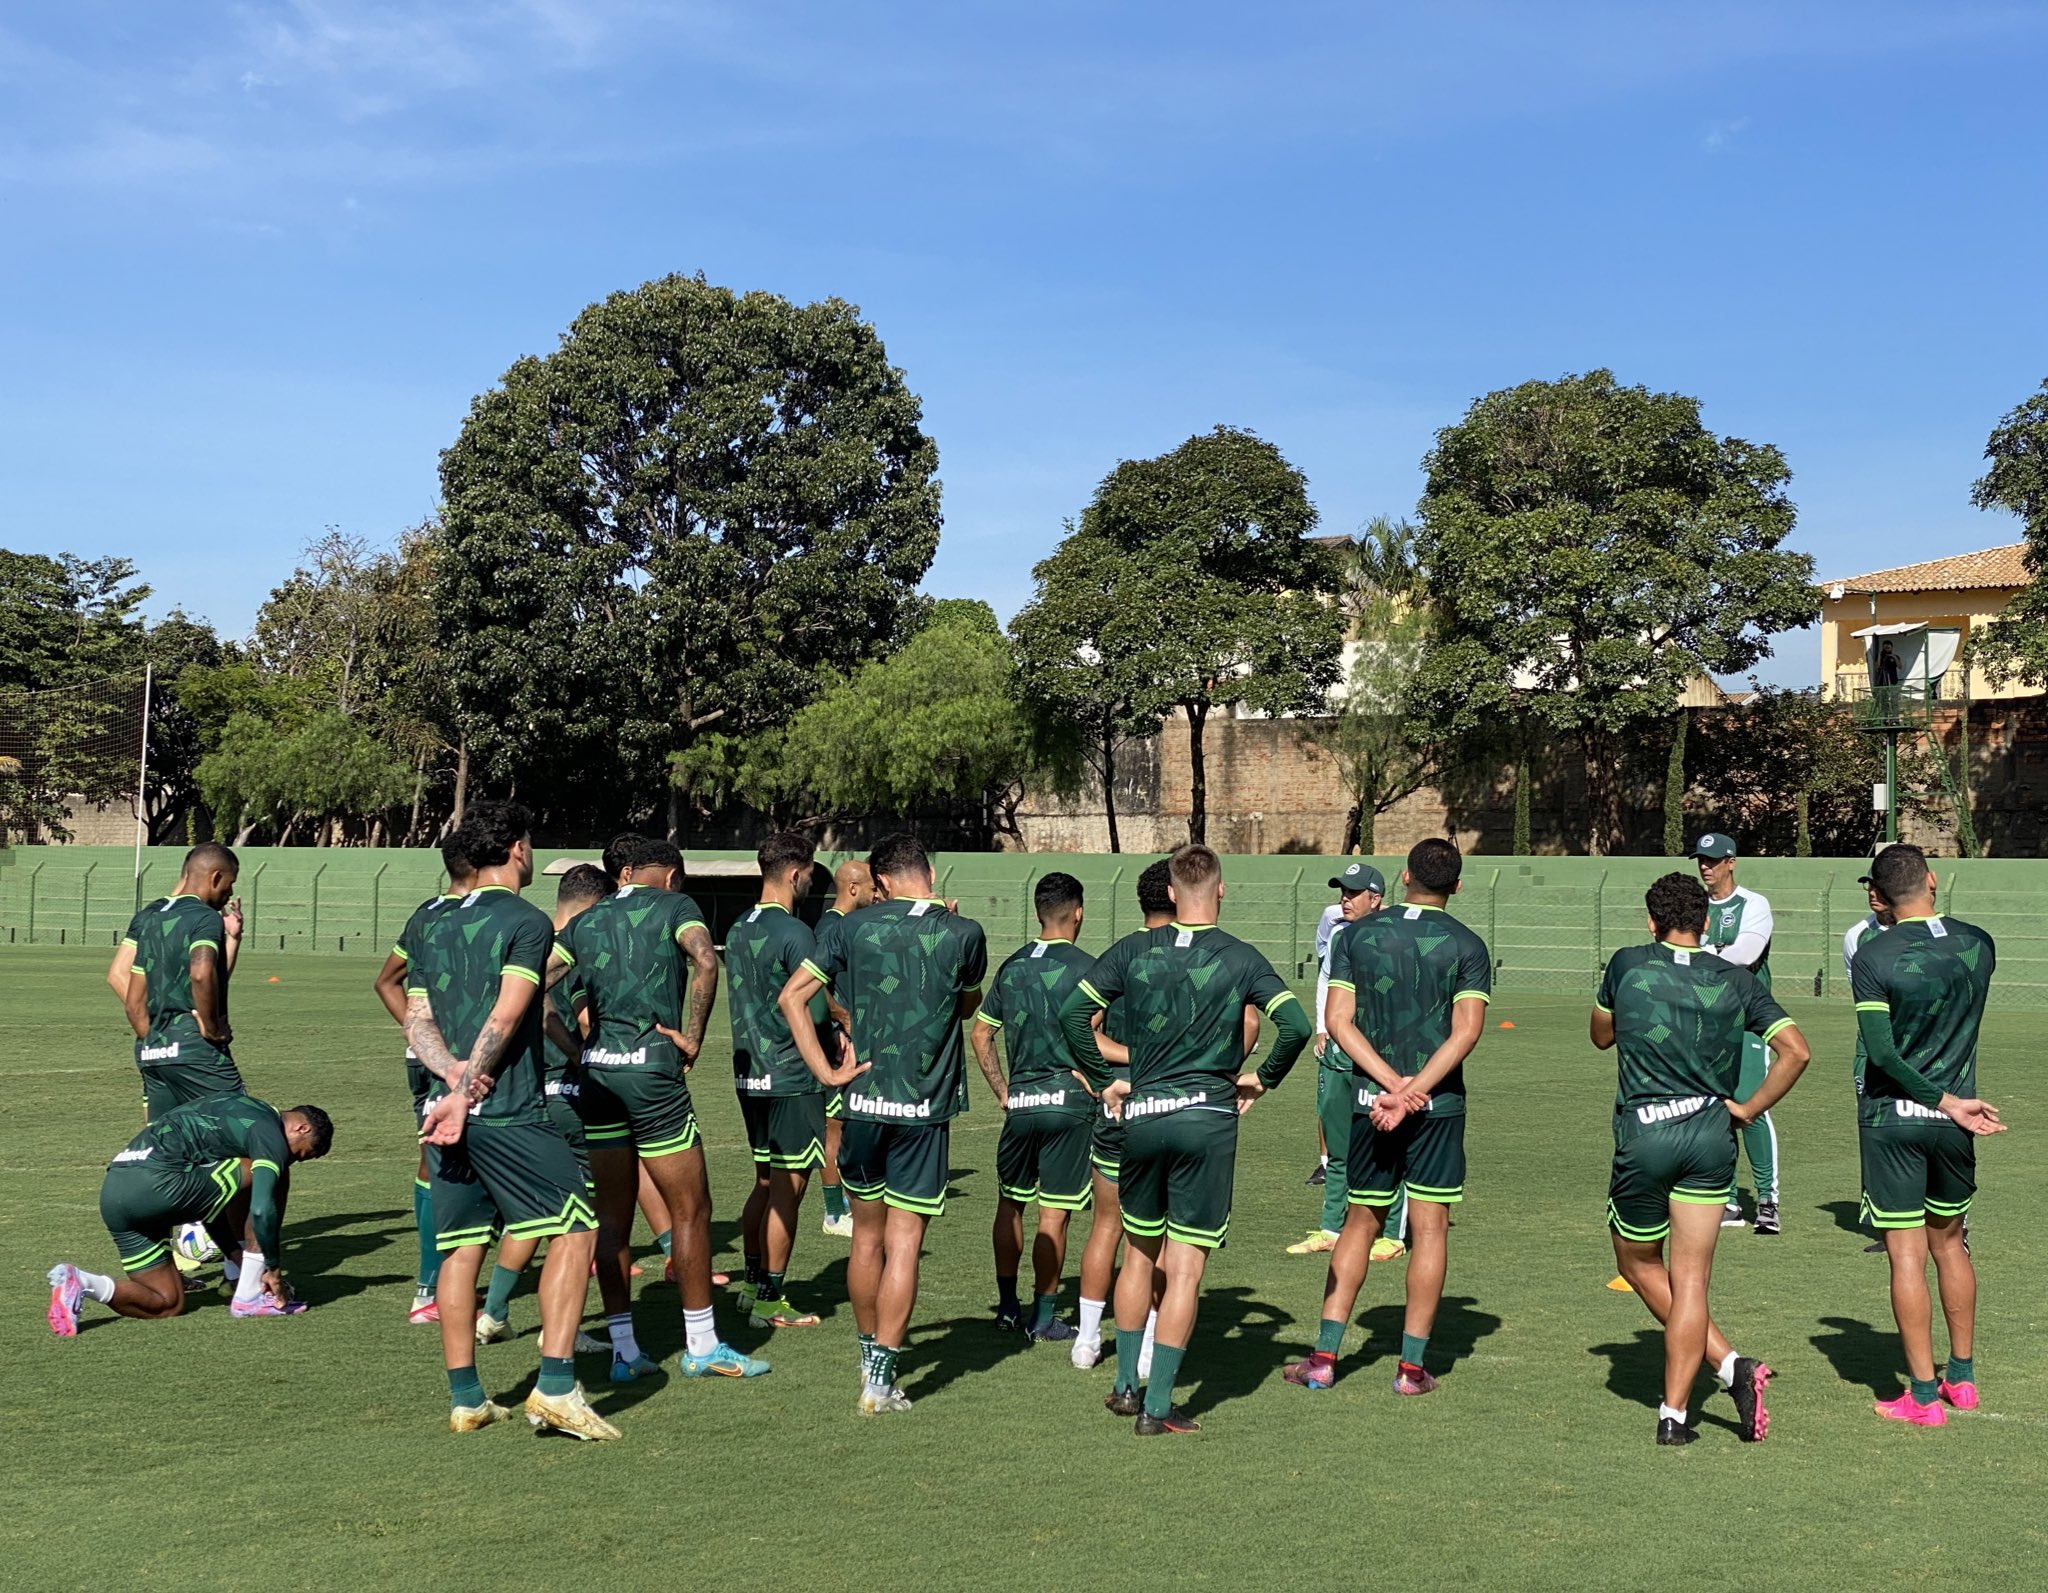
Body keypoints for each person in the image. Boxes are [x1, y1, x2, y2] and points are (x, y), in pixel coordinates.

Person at [1064, 844, 1312, 1435]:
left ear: (1172, 894)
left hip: (1144, 1116)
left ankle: (1125, 1388)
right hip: (1206, 1121)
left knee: (1138, 1252)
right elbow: (1297, 1025)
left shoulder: (1134, 949)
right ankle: (1157, 1408)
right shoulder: (1241, 956)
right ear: (1220, 890)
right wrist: (1263, 1079)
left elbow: (1073, 1013)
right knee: (1185, 1268)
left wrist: (1106, 1081)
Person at [406, 800, 612, 1439]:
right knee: (576, 1226)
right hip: (506, 1110)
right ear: (518, 849)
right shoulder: (526, 920)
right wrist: (468, 1090)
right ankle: (555, 1388)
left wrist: (448, 1078)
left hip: (440, 1109)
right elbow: (508, 1012)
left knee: (461, 1248)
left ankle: (467, 1399)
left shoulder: (428, 917)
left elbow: (417, 1019)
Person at [1593, 873, 1811, 1445]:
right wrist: (1749, 1109)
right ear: (1707, 922)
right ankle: (1678, 1414)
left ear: (1651, 921)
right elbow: (1796, 1051)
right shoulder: (1736, 979)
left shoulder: (1627, 964)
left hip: (1646, 1133)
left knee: (1638, 1263)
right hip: (1712, 1137)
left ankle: (1728, 1369)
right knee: (1691, 1282)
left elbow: (1600, 1035)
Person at [779, 833, 987, 1416]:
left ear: (882, 882)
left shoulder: (849, 928)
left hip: (862, 1102)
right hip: (923, 1108)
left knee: (866, 1239)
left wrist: (826, 1071)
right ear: (929, 875)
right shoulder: (963, 932)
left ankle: (868, 1354)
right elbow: (967, 1005)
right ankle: (879, 1381)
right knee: (905, 1243)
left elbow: (793, 998)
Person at [550, 835, 766, 1384]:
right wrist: (692, 1037)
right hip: (651, 1074)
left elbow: (535, 983)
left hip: (596, 1075)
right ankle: (702, 1345)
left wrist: (574, 1049)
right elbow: (706, 962)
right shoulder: (676, 906)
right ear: (670, 876)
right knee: (690, 1210)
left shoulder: (586, 919)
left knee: (612, 1218)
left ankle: (624, 1351)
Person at [1282, 837, 1489, 1398]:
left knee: (1359, 1222)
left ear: (1403, 877)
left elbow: (1338, 1021)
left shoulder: (1355, 936)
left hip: (1368, 1102)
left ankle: (1323, 1360)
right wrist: (1413, 1090)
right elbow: (1466, 1032)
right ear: (1457, 886)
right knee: (1430, 1228)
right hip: (1437, 1105)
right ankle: (1410, 1371)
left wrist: (1389, 1086)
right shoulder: (1468, 944)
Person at [1851, 843, 2005, 1427]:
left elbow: (1882, 1054)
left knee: (1906, 1255)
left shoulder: (1873, 953)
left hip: (1895, 1118)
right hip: (1957, 1120)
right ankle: (1961, 1379)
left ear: (1879, 897)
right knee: (1952, 1243)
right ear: (1933, 879)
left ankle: (1920, 1396)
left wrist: (1941, 1100)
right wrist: (1955, 1104)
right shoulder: (1979, 943)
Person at [48, 1095, 333, 1332]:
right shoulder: (267, 1129)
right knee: (271, 1173)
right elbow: (260, 1208)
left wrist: (235, 1255)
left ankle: (81, 1282)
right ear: (301, 1128)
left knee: (166, 1303)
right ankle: (248, 1296)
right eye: (300, 1154)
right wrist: (272, 1267)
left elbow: (211, 1206)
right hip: (157, 1185)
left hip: (115, 1194)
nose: (293, 1159)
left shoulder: (233, 1108)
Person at [974, 872, 1095, 1341]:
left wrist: (1003, 1091)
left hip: (1022, 1103)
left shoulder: (1012, 966)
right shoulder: (1089, 968)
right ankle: (1044, 1317)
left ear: (1037, 913)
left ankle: (1007, 1308)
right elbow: (1101, 1034)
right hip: (1068, 1104)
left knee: (1010, 1203)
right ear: (1078, 913)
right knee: (1054, 1214)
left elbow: (981, 1033)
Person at [1066, 859, 1174, 1371]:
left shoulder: (1119, 954)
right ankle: (1149, 1343)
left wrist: (1117, 1063)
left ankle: (1087, 1341)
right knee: (1161, 1236)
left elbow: (1083, 1025)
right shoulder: (1196, 955)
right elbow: (1247, 1025)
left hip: (1118, 1104)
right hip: (1171, 1106)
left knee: (1106, 1226)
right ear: (1177, 895)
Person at [727, 831, 832, 1330]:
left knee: (765, 1182)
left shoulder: (738, 927)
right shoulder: (796, 933)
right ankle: (769, 1299)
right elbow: (813, 1009)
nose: (810, 883)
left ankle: (751, 1285)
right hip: (791, 1076)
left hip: (750, 1075)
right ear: (794, 874)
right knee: (788, 1189)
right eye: (809, 875)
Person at [373, 828, 475, 1325]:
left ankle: (430, 1287)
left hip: (422, 1057)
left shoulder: (425, 913)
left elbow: (386, 980)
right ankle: (433, 1290)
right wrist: (442, 1048)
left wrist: (418, 1036)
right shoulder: (483, 915)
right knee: (466, 1163)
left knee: (431, 1161)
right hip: (461, 1060)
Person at [1289, 861, 1407, 1263]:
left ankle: (1392, 1234)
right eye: (1343, 891)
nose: (1345, 899)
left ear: (1376, 898)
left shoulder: (1394, 938)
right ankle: (1331, 1229)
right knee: (1338, 1148)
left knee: (1387, 1146)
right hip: (1337, 1053)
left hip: (1377, 1056)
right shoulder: (1338, 933)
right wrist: (1323, 1027)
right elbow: (1326, 980)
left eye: (1353, 893)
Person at [1692, 834, 1782, 1234]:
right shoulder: (1694, 905)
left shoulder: (1753, 904)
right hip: (1705, 1018)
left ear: (1731, 862)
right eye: (1701, 859)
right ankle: (1727, 1201)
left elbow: (1745, 955)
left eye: (1712, 860)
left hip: (1747, 1019)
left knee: (1750, 1103)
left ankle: (1767, 1200)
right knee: (1714, 1105)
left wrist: (1702, 956)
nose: (1705, 867)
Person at [814, 857, 877, 1239]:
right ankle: (834, 1213)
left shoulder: (853, 925)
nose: (876, 892)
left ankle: (851, 1203)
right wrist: (840, 1019)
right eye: (871, 886)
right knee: (834, 1129)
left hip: (857, 1044)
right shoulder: (830, 927)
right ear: (853, 888)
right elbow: (811, 980)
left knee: (851, 1127)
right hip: (838, 1046)